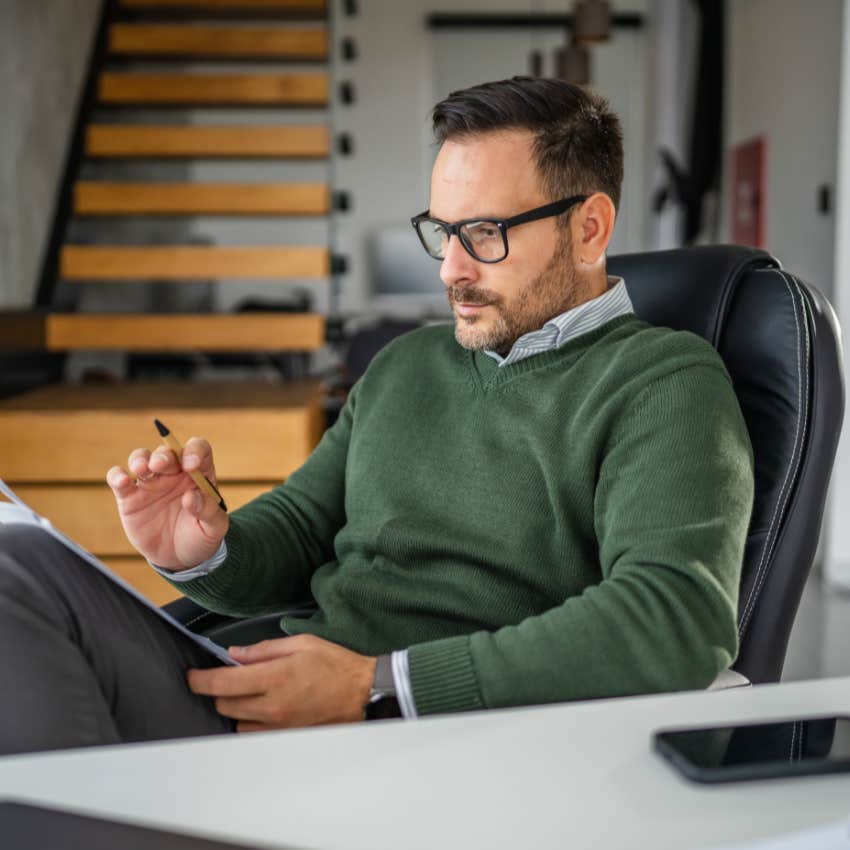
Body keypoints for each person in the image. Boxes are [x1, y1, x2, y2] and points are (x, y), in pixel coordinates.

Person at [0, 77, 754, 754]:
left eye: (485, 234)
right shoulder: (406, 364)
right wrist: (204, 551)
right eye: (443, 232)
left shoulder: (664, 382)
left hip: (429, 740)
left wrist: (375, 684)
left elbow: (675, 618)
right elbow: (302, 529)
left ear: (589, 228)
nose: (451, 269)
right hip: (280, 699)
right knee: (19, 565)